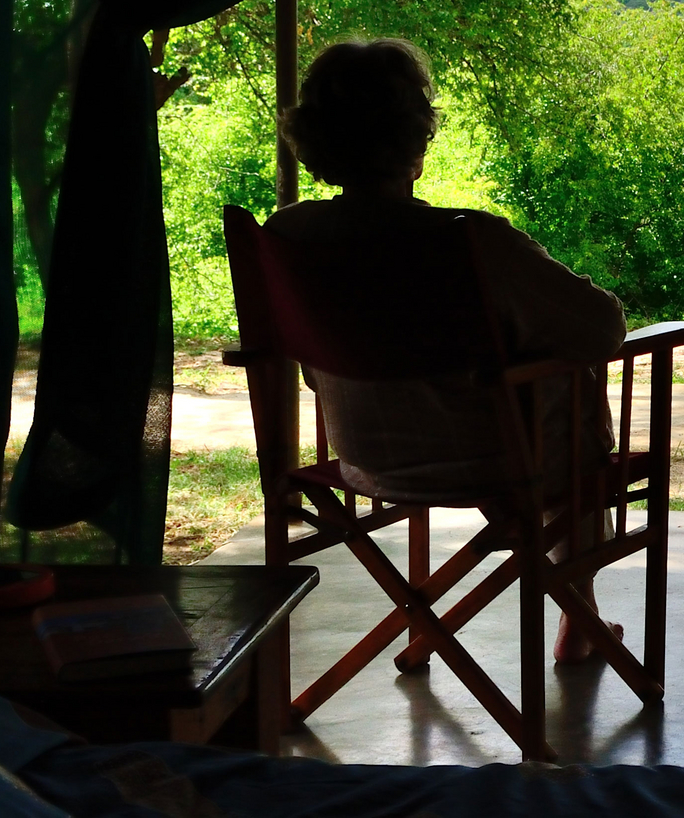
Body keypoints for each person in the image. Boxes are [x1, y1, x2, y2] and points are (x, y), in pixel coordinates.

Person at [266, 38, 626, 663]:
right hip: (495, 461)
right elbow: (601, 328)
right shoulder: (472, 242)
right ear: (417, 143)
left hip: (362, 462)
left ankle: (450, 626)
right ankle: (579, 614)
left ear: (313, 138)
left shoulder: (286, 236)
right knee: (574, 406)